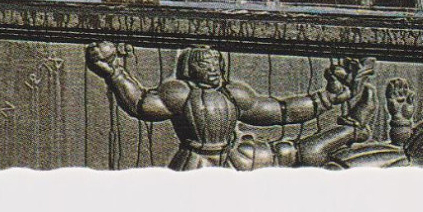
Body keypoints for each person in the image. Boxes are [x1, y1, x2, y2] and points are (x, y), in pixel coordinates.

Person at [86, 42, 352, 170]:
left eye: (216, 64)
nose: (213, 68)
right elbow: (143, 105)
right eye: (205, 64)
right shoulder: (180, 92)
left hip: (232, 158)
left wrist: (325, 98)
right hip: (195, 161)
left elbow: (280, 111)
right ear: (191, 67)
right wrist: (114, 72)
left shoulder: (234, 93)